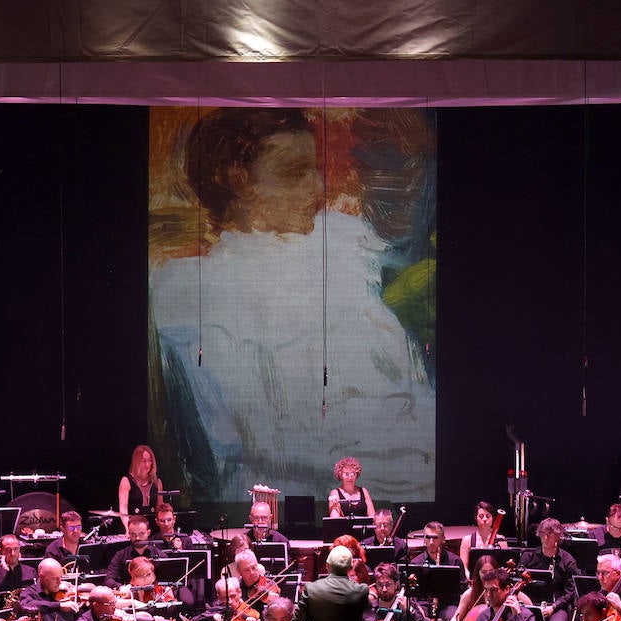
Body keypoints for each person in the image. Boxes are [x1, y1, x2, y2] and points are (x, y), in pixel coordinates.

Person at [149, 107, 436, 506]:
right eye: (295, 172)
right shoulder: (198, 293)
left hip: (396, 487)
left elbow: (410, 391)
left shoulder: (348, 252)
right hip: (299, 503)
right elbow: (271, 444)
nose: (317, 187)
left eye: (314, 169)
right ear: (238, 179)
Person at [517, 517, 580, 621]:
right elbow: (517, 583)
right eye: (543, 533)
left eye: (550, 534)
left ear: (558, 536)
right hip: (529, 604)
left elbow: (570, 592)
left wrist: (553, 607)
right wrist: (529, 604)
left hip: (555, 607)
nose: (546, 537)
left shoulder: (568, 561)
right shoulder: (528, 557)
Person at [411, 521, 467, 621]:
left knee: (454, 618)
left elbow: (463, 589)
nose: (431, 542)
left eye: (435, 538)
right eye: (428, 538)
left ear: (443, 539)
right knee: (415, 618)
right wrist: (418, 609)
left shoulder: (455, 561)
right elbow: (411, 593)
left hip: (448, 604)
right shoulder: (415, 563)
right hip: (424, 604)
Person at [104, 515, 167, 589]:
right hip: (129, 597)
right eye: (133, 534)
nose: (137, 538)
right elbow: (108, 580)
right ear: (129, 534)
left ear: (148, 532)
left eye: (141, 534)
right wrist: (121, 588)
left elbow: (168, 580)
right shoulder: (121, 555)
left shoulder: (161, 555)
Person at [117, 444, 164, 534]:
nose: (148, 464)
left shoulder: (157, 482)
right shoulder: (126, 481)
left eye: (150, 461)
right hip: (132, 528)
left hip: (152, 529)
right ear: (136, 462)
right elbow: (123, 510)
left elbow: (159, 508)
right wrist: (128, 528)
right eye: (144, 461)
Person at [457, 501, 507, 578]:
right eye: (481, 516)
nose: (484, 519)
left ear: (492, 518)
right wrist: (471, 581)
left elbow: (504, 568)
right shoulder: (467, 540)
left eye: (487, 516)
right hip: (474, 583)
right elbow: (464, 568)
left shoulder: (501, 540)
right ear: (476, 518)